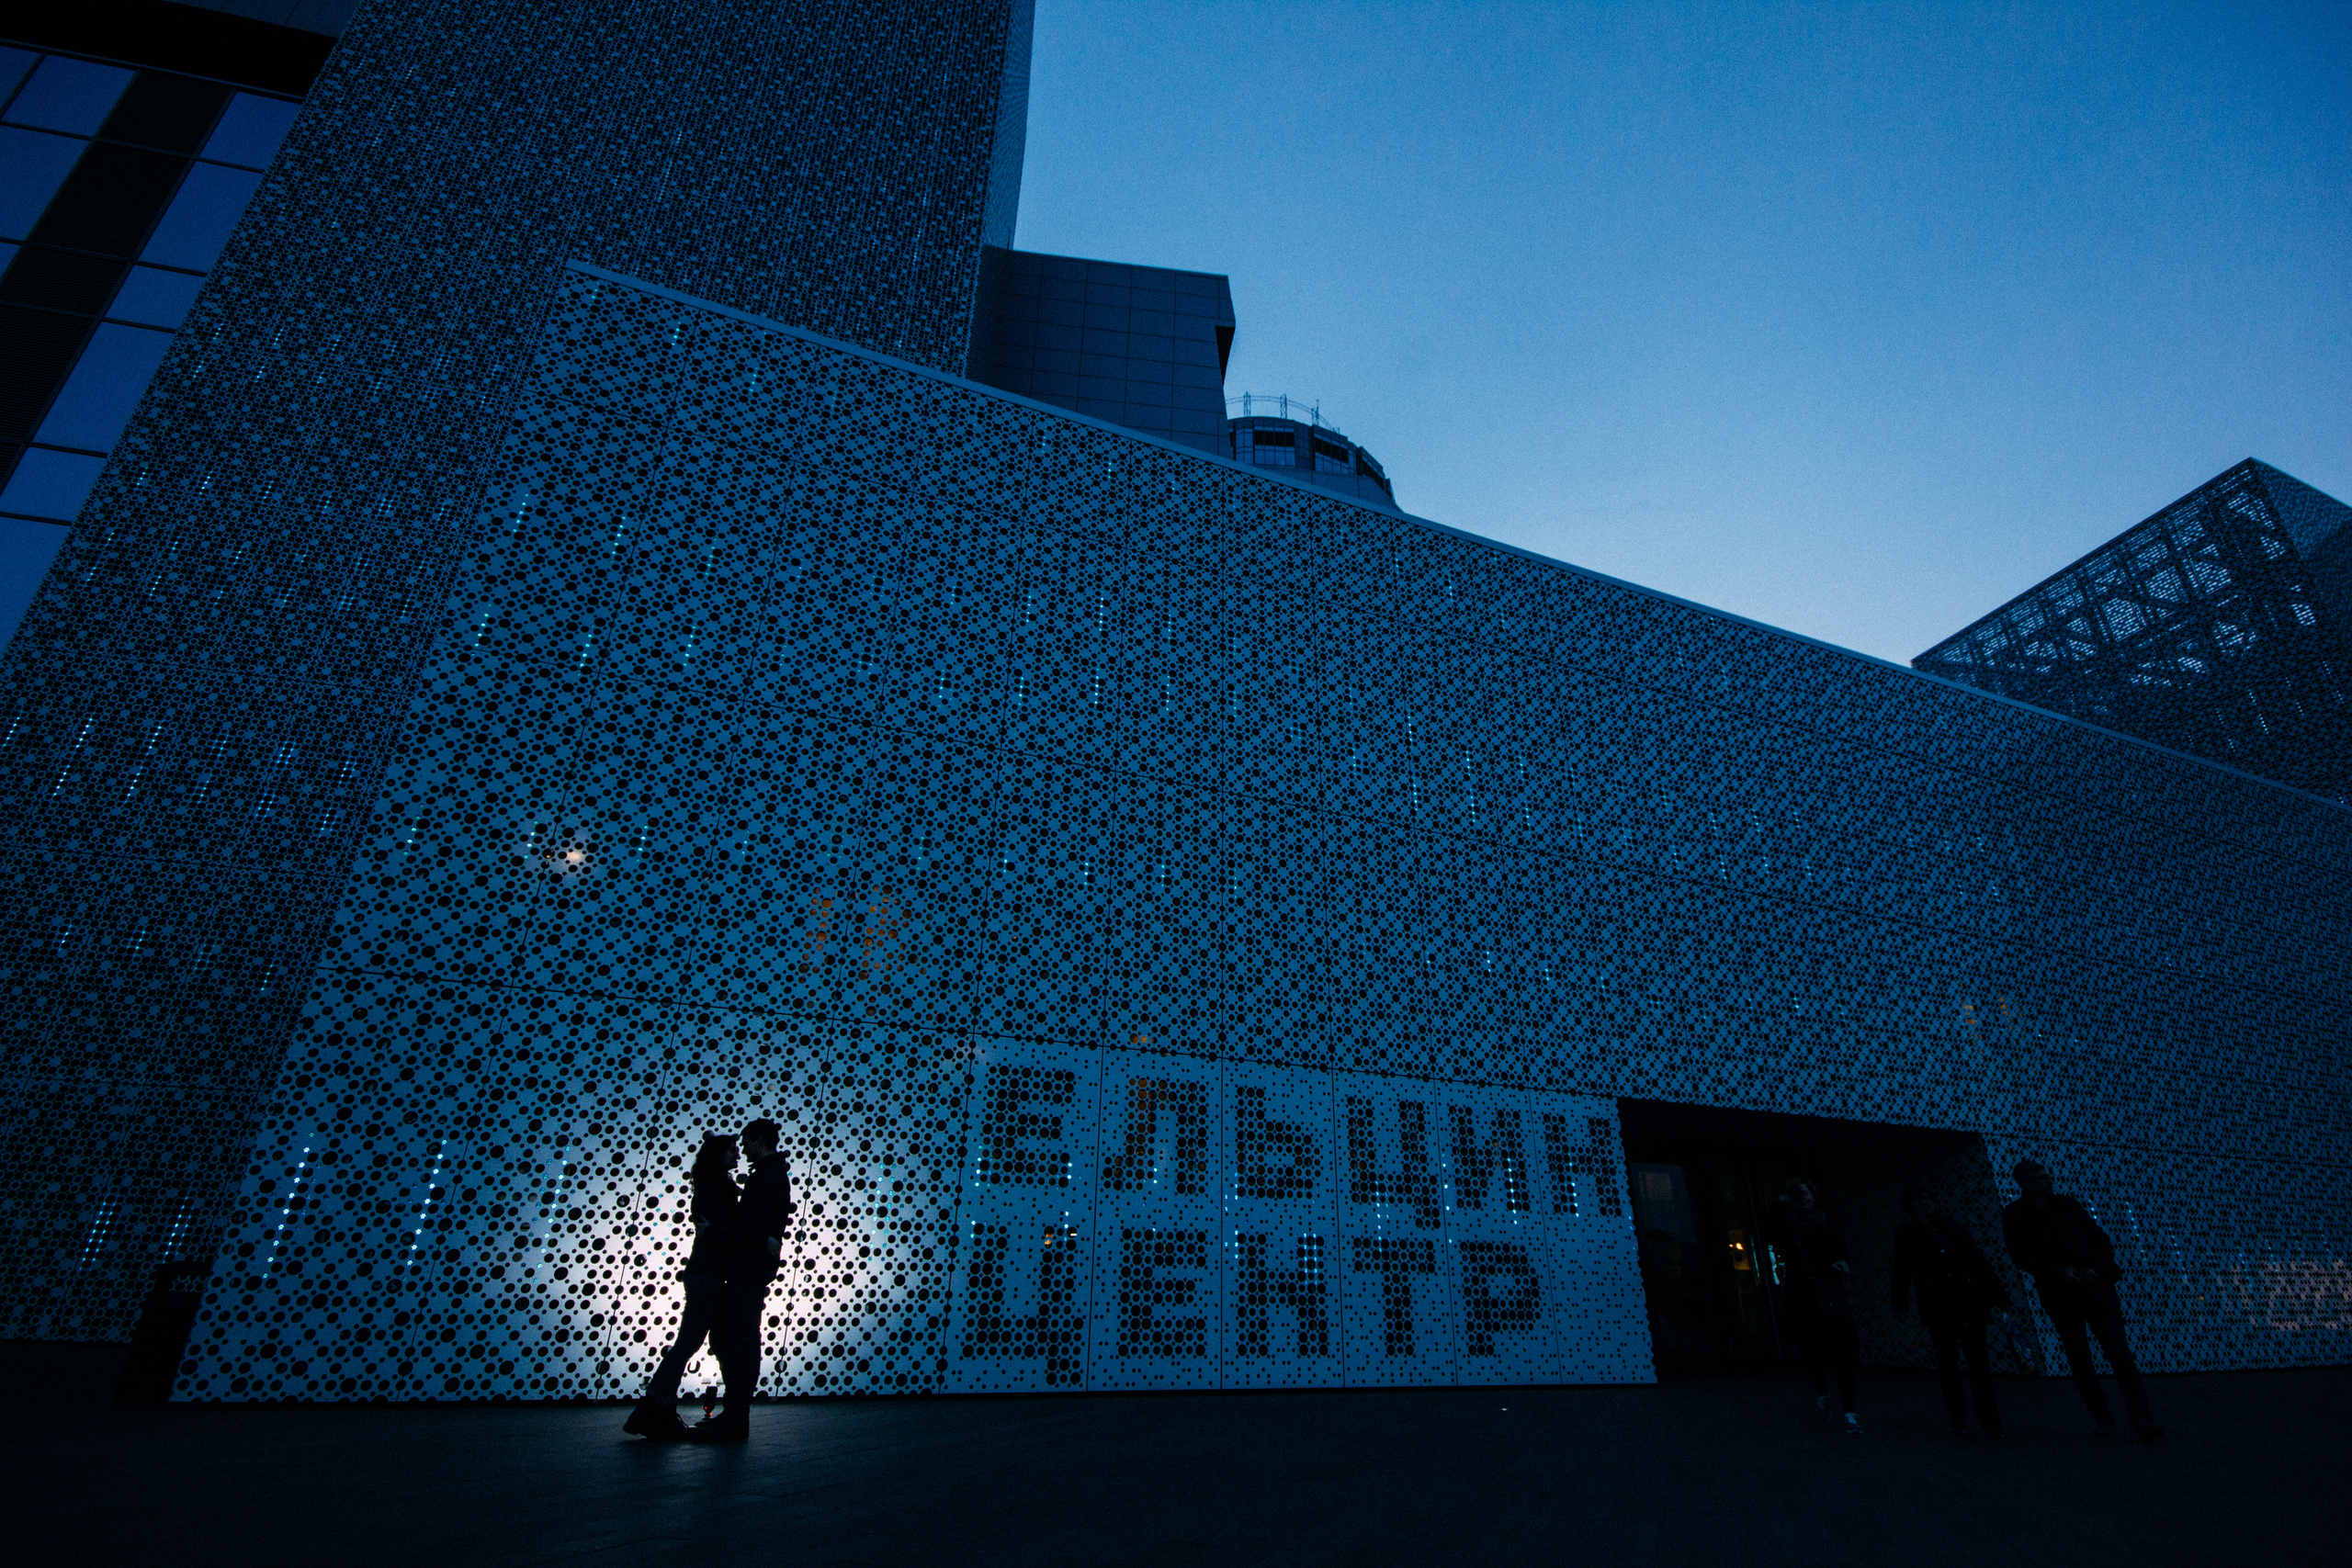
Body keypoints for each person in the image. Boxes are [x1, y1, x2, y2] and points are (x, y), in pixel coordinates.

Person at [2000, 1159, 2162, 1441]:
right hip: (2065, 1294)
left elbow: (2100, 1240)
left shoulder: (2067, 1206)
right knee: (2083, 1359)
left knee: (2117, 1355)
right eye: (2041, 1177)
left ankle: (2137, 1417)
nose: (2049, 1181)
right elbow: (2021, 1256)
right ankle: (2110, 1418)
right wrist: (2063, 1272)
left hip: (2088, 1289)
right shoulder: (2017, 1214)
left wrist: (2095, 1269)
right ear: (2026, 1183)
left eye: (2047, 1176)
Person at [623, 1132, 741, 1439]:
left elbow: (718, 1227)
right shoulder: (715, 1187)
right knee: (688, 1342)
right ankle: (656, 1406)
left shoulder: (711, 1185)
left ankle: (655, 1406)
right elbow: (728, 1227)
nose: (737, 1155)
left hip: (706, 1272)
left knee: (688, 1342)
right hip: (708, 1273)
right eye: (732, 1150)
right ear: (718, 1154)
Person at [689, 1116, 796, 1440]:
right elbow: (757, 1228)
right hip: (749, 1268)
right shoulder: (768, 1175)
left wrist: (714, 1233)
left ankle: (736, 1416)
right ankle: (734, 1414)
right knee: (731, 1337)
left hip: (748, 1270)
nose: (743, 1150)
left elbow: (751, 1227)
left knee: (739, 1339)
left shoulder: (767, 1177)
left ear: (759, 1141)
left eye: (747, 1143)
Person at [1890, 1183, 2008, 1437]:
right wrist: (1900, 1303)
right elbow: (1900, 1271)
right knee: (1950, 1365)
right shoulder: (1910, 1234)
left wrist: (1997, 1294)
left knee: (1976, 1365)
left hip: (1961, 1303)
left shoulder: (1949, 1229)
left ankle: (1984, 1419)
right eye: (1918, 1199)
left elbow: (1977, 1261)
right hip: (1942, 1306)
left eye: (1927, 1197)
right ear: (1911, 1206)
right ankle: (1962, 1417)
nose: (1924, 1203)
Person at [1766, 1177, 1862, 1434]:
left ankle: (1848, 1410)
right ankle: (1824, 1392)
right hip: (1805, 1295)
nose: (1806, 1199)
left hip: (1826, 1292)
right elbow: (1769, 1228)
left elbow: (1841, 1251)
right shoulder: (1788, 1223)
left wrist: (1840, 1264)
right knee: (1812, 1350)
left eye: (1808, 1194)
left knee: (1840, 1352)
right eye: (1800, 1195)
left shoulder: (1824, 1222)